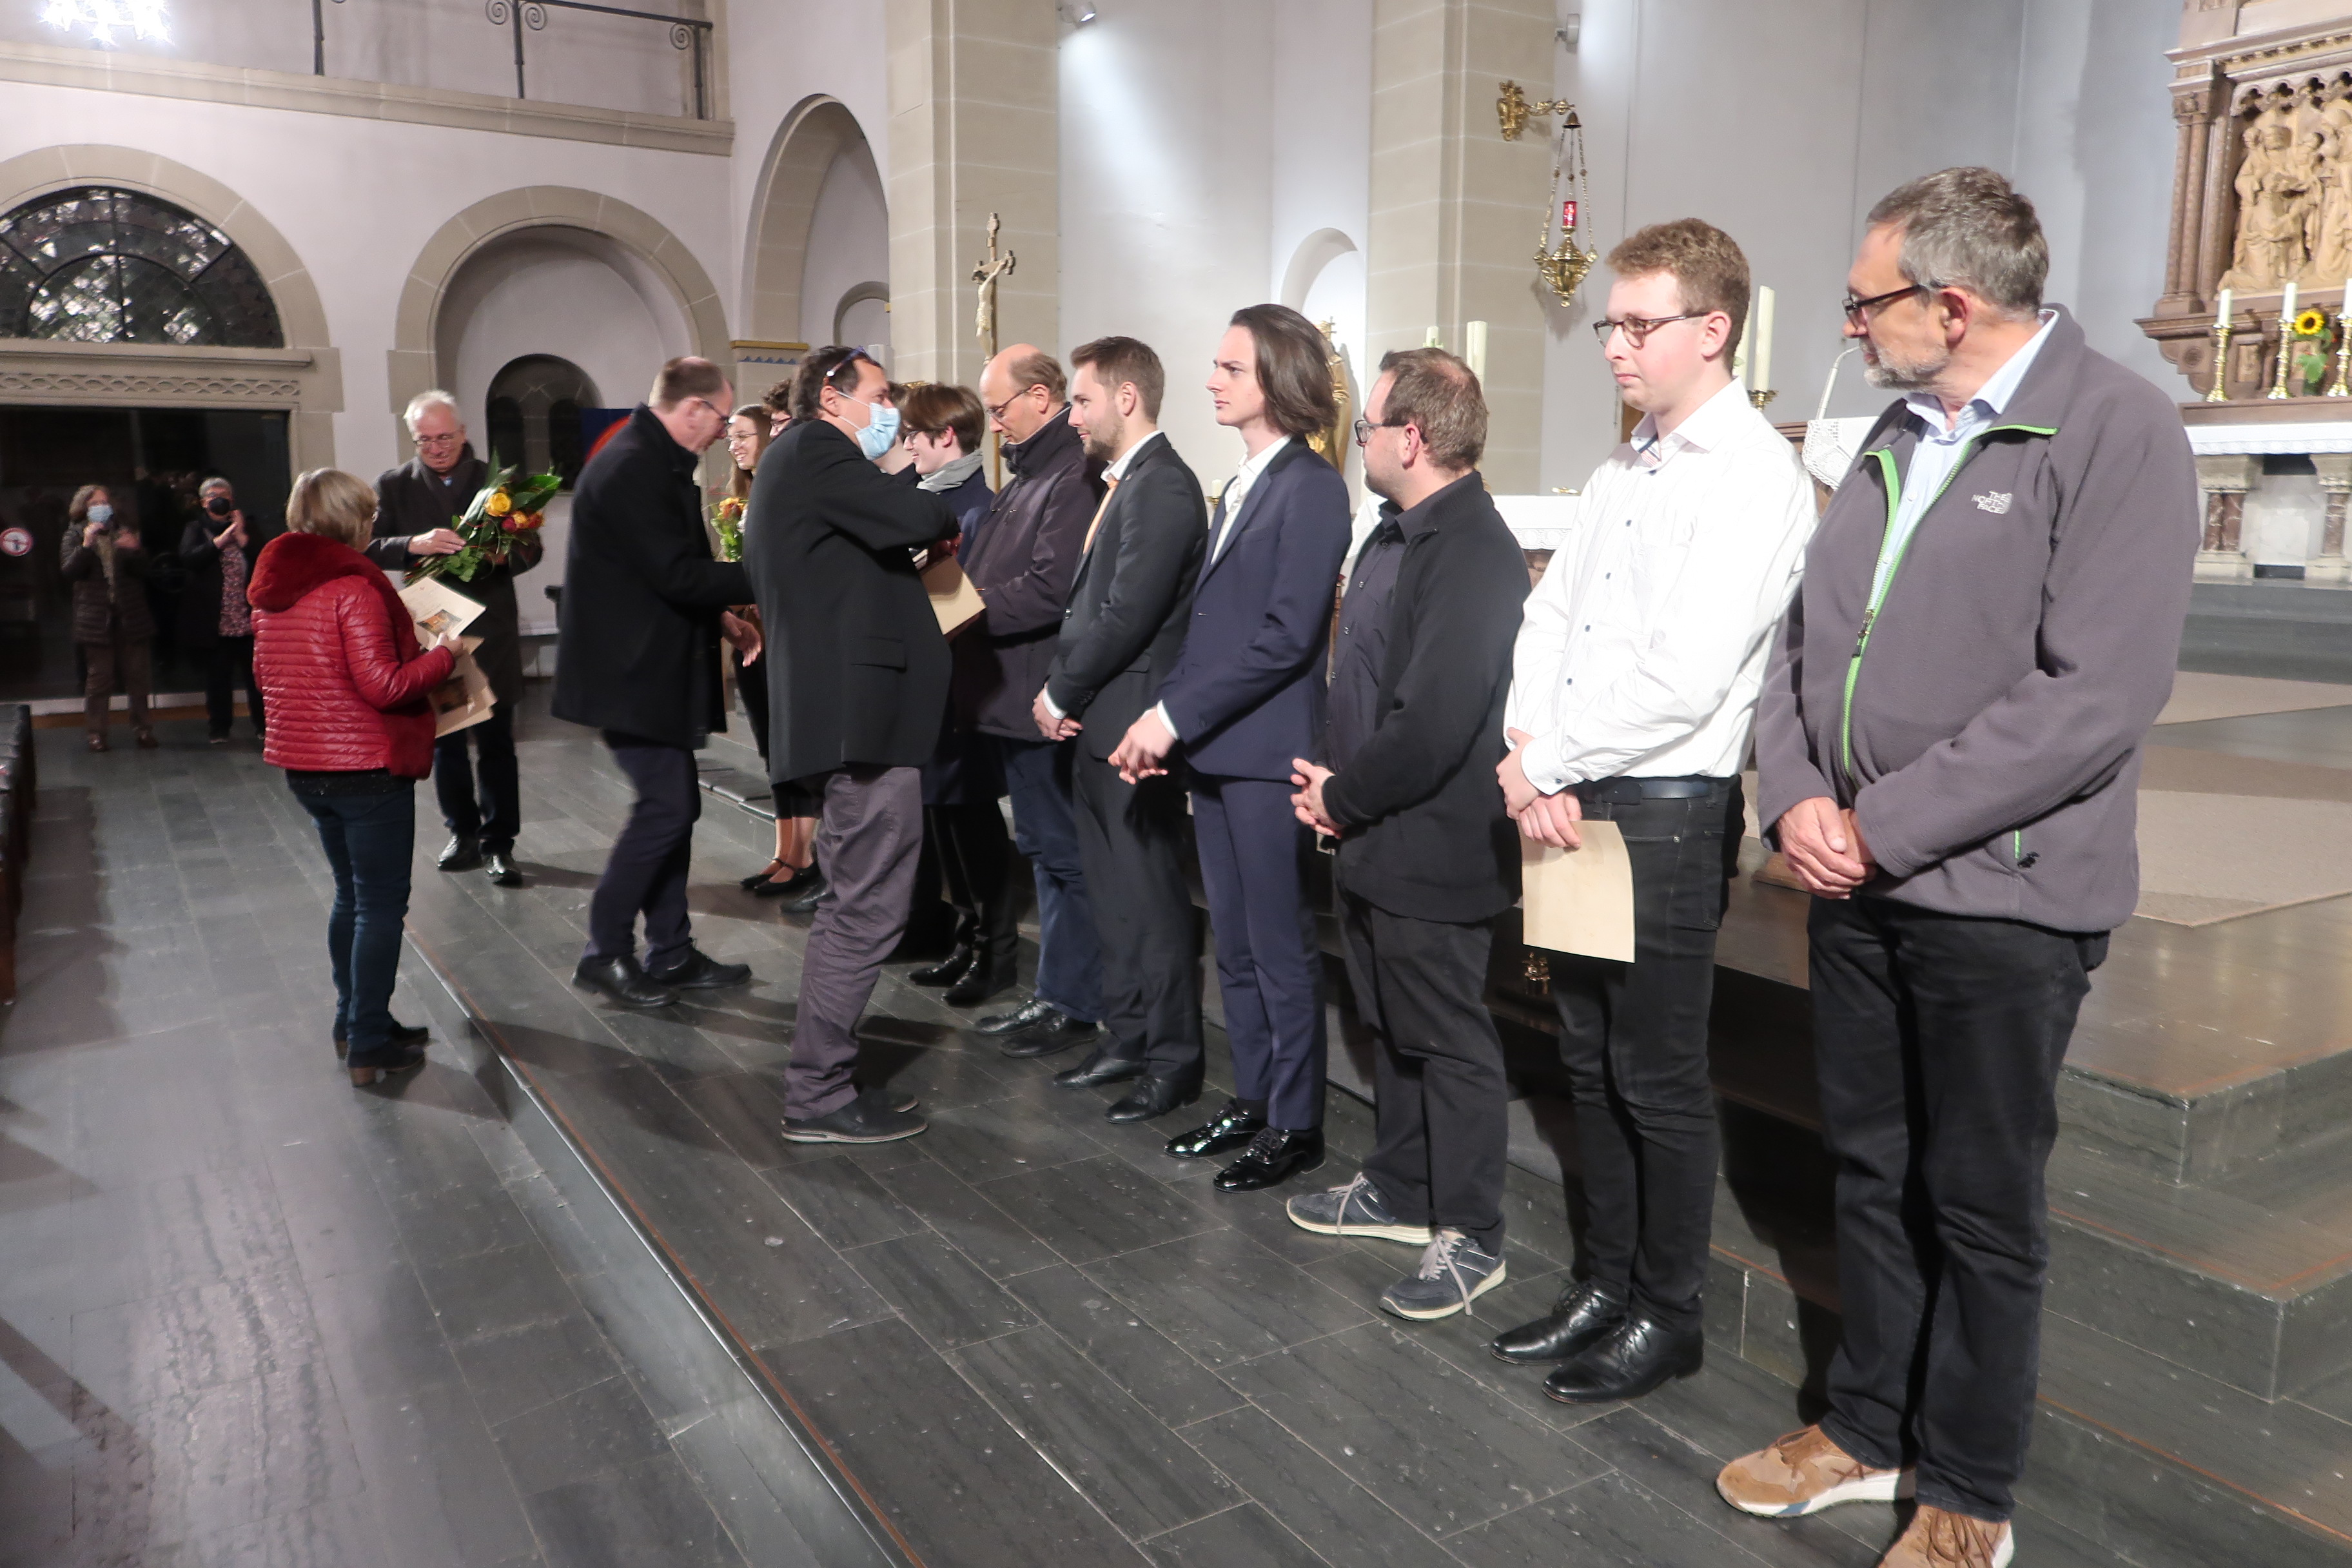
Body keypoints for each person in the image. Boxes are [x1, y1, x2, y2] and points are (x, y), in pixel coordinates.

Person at [1721, 169, 2199, 1568]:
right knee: (1870, 1169)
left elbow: (2095, 694)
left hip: (2002, 898)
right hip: (1855, 881)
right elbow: (1805, 645)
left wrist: (1884, 821)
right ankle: (1870, 1424)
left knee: (1979, 1204)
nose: (1850, 325)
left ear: (1950, 302)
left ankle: (1969, 1491)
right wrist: (1797, 796)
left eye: (1862, 301)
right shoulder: (1896, 429)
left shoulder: (2114, 428)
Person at [1487, 219, 1816, 1405]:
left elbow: (1685, 675)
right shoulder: (1623, 467)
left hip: (1666, 810)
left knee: (1656, 1074)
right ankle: (1603, 1282)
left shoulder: (1754, 477)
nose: (1614, 345)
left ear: (1712, 329)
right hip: (1574, 788)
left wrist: (1551, 762)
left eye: (1638, 324)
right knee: (1584, 1053)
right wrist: (1529, 749)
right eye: (1610, 324)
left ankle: (1666, 1314)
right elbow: (1548, 618)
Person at [1284, 348, 1529, 1319]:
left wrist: (1342, 795)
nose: (1359, 440)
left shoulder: (1472, 549)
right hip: (1374, 828)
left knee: (1448, 1039)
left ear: (1413, 438)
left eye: (1370, 424)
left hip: (1434, 838)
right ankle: (1399, 1186)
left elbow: (1432, 721)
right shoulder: (1397, 530)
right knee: (1392, 1022)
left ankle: (1471, 1233)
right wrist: (1336, 788)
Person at [1110, 304, 1351, 1193]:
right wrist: (1169, 719)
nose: (1211, 379)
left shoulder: (1311, 486)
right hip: (1218, 748)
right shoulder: (1246, 481)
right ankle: (1253, 1100)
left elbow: (1285, 638)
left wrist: (1171, 717)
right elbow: (1212, 625)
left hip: (1266, 752)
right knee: (1238, 944)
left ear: (1278, 378)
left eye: (1230, 367)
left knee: (1278, 945)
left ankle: (1296, 1123)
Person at [747, 346, 957, 1144]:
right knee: (866, 907)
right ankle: (819, 1090)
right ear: (833, 398)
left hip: (843, 716)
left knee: (856, 900)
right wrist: (919, 481)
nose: (892, 407)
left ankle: (822, 1080)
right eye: (880, 393)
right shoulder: (814, 447)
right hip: (858, 721)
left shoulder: (797, 459)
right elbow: (920, 519)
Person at [1036, 336, 1208, 1120]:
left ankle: (1172, 1057)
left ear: (1126, 397)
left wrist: (1059, 690)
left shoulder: (1163, 483)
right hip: (1100, 717)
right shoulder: (1129, 480)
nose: (1073, 415)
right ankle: (1127, 1032)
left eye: (1082, 400)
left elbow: (1126, 612)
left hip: (1131, 719)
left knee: (1149, 896)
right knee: (1112, 891)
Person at [554, 357, 761, 1008]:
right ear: (693, 408)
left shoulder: (655, 458)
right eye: (722, 417)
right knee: (668, 807)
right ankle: (605, 951)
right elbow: (674, 573)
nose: (724, 431)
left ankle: (670, 951)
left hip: (649, 665)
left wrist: (721, 616)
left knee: (676, 806)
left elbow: (661, 567)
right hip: (630, 672)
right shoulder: (633, 466)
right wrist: (775, 574)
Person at [250, 468, 460, 1085]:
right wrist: (445, 656)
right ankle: (369, 1043)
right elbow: (386, 687)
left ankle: (356, 1020)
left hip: (304, 766)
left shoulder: (273, 590)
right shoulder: (354, 587)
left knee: (351, 897)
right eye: (369, 516)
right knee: (380, 907)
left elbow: (268, 681)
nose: (374, 525)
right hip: (365, 769)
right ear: (353, 522)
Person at [950, 346, 1106, 1046]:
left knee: (1062, 853)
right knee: (1043, 849)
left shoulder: (1069, 476)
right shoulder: (1030, 473)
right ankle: (1056, 992)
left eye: (999, 408)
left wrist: (963, 605)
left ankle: (1076, 1001)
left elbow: (1050, 588)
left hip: (1041, 697)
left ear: (1042, 397)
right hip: (1012, 696)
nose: (993, 424)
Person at [368, 391, 542, 888]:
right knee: (447, 740)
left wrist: (502, 556)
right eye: (425, 440)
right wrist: (412, 544)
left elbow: (531, 547)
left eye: (445, 437)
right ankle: (461, 833)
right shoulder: (394, 485)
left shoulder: (498, 482)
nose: (437, 447)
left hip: (491, 628)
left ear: (463, 433)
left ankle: (499, 843)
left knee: (496, 742)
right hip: (434, 630)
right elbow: (365, 545)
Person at [897, 382, 1014, 990]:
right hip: (928, 687)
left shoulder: (975, 507)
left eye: (914, 435)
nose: (907, 447)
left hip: (961, 686)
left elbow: (965, 606)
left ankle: (993, 952)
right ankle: (965, 936)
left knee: (972, 823)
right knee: (942, 819)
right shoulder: (921, 499)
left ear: (946, 436)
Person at [723, 402, 823, 904]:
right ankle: (786, 851)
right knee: (770, 747)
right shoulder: (742, 499)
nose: (735, 445)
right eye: (731, 437)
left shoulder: (789, 490)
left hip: (785, 635)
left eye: (744, 435)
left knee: (794, 747)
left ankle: (805, 854)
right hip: (752, 635)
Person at [177, 476, 273, 745]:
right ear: (203, 502)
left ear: (232, 499)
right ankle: (219, 728)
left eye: (223, 495)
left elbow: (265, 561)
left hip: (247, 617)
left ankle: (264, 726)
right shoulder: (195, 528)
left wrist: (241, 535)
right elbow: (189, 558)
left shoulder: (247, 526)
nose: (217, 499)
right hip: (216, 619)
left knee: (256, 678)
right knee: (218, 678)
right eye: (212, 495)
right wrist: (219, 541)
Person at [61, 484, 156, 752]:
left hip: (130, 616)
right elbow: (69, 571)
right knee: (99, 679)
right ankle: (97, 733)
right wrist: (86, 545)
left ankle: (143, 730)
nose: (101, 508)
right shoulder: (74, 534)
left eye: (104, 502)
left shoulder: (124, 530)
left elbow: (145, 571)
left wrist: (136, 549)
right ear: (83, 508)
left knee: (137, 677)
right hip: (95, 619)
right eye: (94, 504)